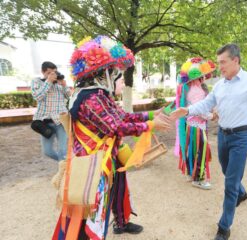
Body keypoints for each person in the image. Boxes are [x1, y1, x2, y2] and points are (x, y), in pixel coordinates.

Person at [52, 35, 171, 239]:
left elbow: (121, 116)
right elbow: (116, 126)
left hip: (100, 161)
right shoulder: (91, 97)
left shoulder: (96, 94)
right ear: (105, 73)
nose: (121, 79)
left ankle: (120, 221)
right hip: (93, 165)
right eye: (117, 74)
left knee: (96, 213)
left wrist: (151, 114)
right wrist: (151, 124)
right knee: (87, 219)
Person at [171, 44, 247, 240]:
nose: (220, 67)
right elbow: (207, 103)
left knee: (229, 182)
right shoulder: (219, 85)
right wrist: (187, 110)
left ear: (236, 60)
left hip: (242, 137)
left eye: (223, 62)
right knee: (227, 172)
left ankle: (224, 227)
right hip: (223, 136)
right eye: (219, 62)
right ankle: (241, 193)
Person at [175, 57, 217, 190]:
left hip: (192, 126)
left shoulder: (191, 88)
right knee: (200, 151)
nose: (206, 77)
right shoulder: (197, 91)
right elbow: (200, 111)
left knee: (193, 151)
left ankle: (191, 173)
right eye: (204, 75)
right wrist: (212, 116)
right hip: (197, 127)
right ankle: (198, 179)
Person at [31, 61, 71, 161]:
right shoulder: (37, 82)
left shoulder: (58, 83)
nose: (53, 75)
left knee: (63, 151)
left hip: (60, 121)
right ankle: (65, 166)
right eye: (49, 73)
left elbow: (68, 96)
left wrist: (64, 85)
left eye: (54, 72)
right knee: (47, 151)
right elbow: (37, 96)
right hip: (45, 123)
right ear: (43, 72)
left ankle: (64, 171)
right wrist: (48, 81)